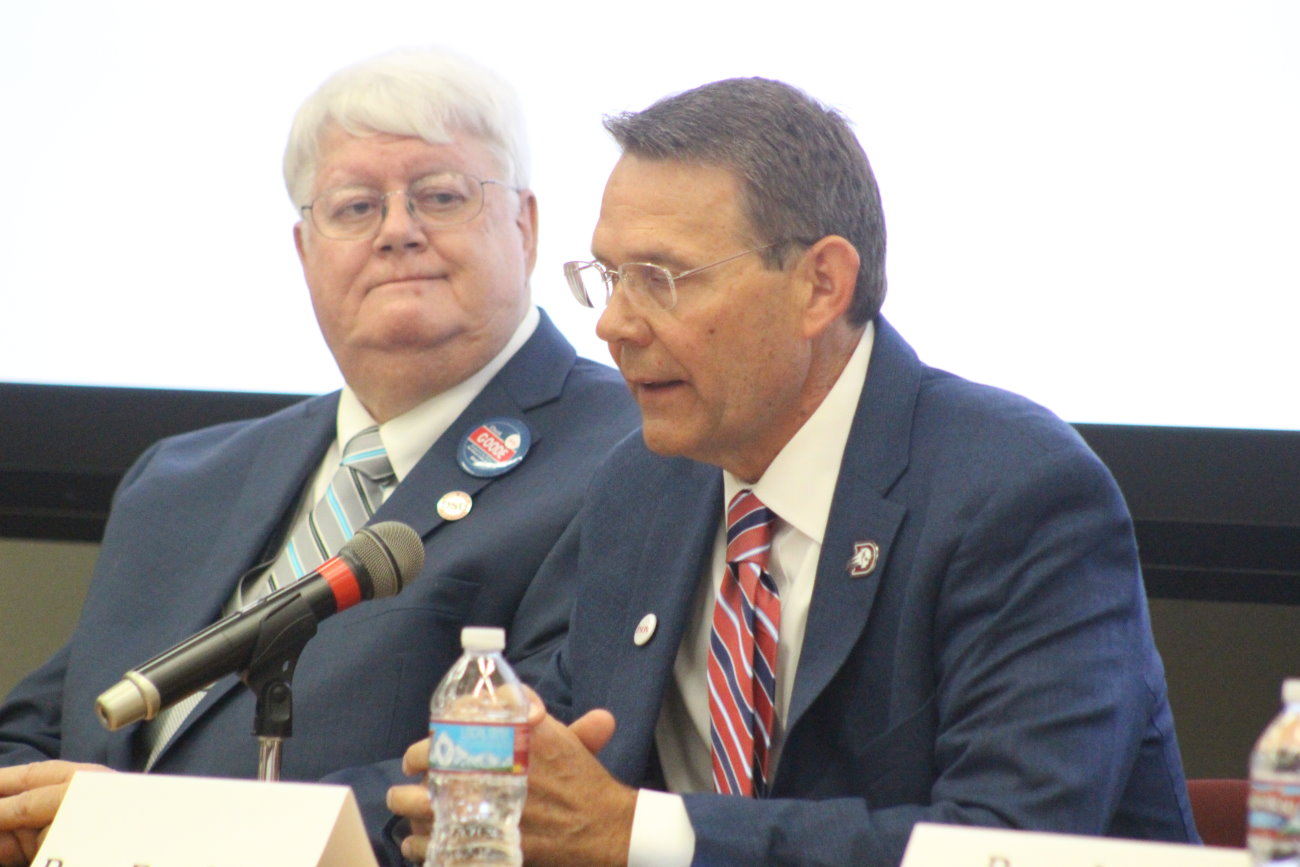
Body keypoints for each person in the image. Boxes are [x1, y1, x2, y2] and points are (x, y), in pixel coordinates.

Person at [389, 76, 1199, 865]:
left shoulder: (1017, 493)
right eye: (606, 276)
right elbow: (556, 761)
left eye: (660, 279)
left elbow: (1012, 843)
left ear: (820, 285)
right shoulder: (642, 487)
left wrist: (639, 835)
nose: (612, 324)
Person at [0, 48, 638, 866]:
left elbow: (514, 771)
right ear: (305, 249)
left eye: (440, 196)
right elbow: (41, 728)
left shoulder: (627, 454)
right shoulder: (182, 477)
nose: (398, 230)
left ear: (526, 226)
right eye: (356, 206)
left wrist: (134, 825)